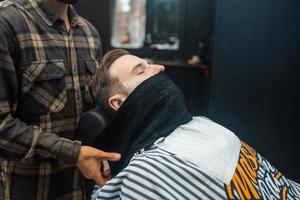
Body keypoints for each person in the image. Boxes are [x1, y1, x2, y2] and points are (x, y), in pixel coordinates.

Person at [91, 49, 300, 199]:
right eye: (141, 70)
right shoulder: (144, 173)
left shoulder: (200, 124)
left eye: (149, 63)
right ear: (118, 102)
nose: (159, 68)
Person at [0, 0, 120, 199]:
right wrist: (74, 153)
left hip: (83, 187)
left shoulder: (89, 33)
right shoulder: (8, 23)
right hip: (29, 188)